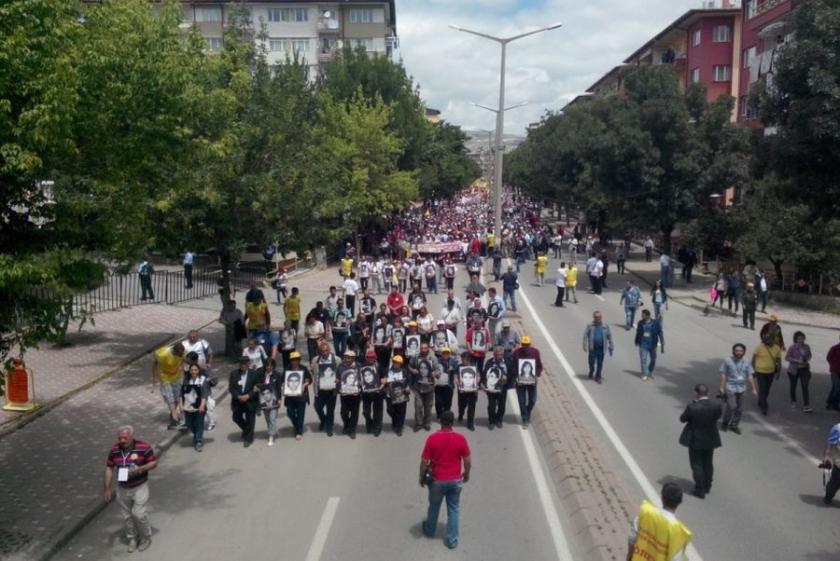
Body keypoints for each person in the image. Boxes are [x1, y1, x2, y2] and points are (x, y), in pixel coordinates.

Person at [420, 410, 472, 550]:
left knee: (434, 506)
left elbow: (424, 461)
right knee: (454, 508)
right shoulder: (460, 439)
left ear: (441, 422)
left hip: (437, 480)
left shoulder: (432, 439)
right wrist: (466, 474)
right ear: (453, 422)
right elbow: (467, 460)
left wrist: (421, 477)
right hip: (455, 480)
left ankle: (430, 530)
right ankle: (452, 540)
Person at [104, 425, 157, 553]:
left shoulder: (143, 447)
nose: (122, 440)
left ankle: (146, 537)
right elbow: (109, 468)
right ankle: (132, 538)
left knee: (138, 513)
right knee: (126, 516)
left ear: (132, 436)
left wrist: (141, 468)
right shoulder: (115, 450)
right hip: (122, 488)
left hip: (139, 486)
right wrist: (107, 488)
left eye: (125, 438)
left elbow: (154, 462)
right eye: (120, 438)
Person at [626, 483, 691, 561]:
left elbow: (632, 537)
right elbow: (675, 559)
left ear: (662, 497)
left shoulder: (646, 512)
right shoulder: (679, 532)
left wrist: (629, 557)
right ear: (679, 502)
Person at [679, 384, 722, 498]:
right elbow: (717, 416)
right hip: (710, 438)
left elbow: (683, 419)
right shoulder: (716, 405)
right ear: (708, 393)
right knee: (708, 463)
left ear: (696, 393)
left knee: (697, 464)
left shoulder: (692, 407)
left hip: (695, 439)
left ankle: (700, 489)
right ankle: (708, 485)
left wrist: (694, 404)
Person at [718, 343, 756, 434]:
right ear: (733, 351)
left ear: (744, 352)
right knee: (731, 406)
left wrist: (754, 389)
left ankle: (734, 425)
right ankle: (725, 423)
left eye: (741, 351)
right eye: (737, 350)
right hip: (730, 387)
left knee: (740, 408)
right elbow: (723, 375)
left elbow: (750, 375)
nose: (739, 352)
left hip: (742, 388)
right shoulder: (727, 360)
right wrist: (722, 387)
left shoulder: (746, 362)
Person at [152, 342, 185, 430]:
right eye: (178, 354)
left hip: (176, 376)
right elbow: (155, 363)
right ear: (174, 351)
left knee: (177, 397)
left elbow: (184, 360)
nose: (180, 355)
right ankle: (174, 418)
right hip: (165, 377)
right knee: (170, 398)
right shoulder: (163, 354)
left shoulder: (182, 352)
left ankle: (173, 413)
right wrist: (155, 376)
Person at [512, 336, 543, 428]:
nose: (526, 347)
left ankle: (527, 411)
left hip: (532, 381)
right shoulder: (516, 353)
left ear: (530, 344)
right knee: (522, 401)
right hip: (520, 381)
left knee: (532, 400)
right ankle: (525, 418)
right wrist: (515, 376)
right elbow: (513, 366)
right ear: (521, 344)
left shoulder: (535, 352)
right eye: (524, 345)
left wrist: (537, 375)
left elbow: (539, 366)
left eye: (527, 345)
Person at [229, 357, 259, 447]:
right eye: (241, 363)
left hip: (250, 400)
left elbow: (257, 388)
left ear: (248, 364)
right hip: (238, 400)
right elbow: (231, 388)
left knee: (250, 420)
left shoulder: (254, 374)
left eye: (245, 363)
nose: (243, 365)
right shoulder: (234, 374)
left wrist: (248, 396)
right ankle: (247, 430)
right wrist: (238, 396)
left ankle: (248, 438)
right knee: (236, 417)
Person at [409, 343, 440, 432]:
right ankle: (418, 423)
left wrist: (435, 373)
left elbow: (438, 371)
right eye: (421, 348)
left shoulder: (433, 358)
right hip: (417, 386)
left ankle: (426, 423)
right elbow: (409, 366)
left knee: (428, 406)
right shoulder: (415, 357)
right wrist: (413, 370)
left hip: (429, 387)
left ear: (428, 348)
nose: (423, 350)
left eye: (425, 348)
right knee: (418, 405)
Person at [311, 341, 339, 437]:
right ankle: (323, 420)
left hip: (332, 390)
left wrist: (338, 382)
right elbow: (312, 371)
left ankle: (329, 427)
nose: (325, 353)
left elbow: (340, 372)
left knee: (330, 410)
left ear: (329, 350)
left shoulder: (336, 360)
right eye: (322, 351)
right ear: (319, 351)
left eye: (326, 350)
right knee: (317, 407)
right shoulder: (315, 360)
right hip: (320, 389)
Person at [283, 351, 312, 441]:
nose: (294, 361)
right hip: (290, 396)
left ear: (299, 360)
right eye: (293, 360)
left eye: (296, 359)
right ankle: (297, 425)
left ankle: (299, 431)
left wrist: (306, 382)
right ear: (290, 361)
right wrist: (283, 385)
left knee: (300, 414)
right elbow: (282, 380)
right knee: (290, 412)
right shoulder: (287, 369)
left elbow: (310, 379)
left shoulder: (303, 368)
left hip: (301, 396)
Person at [180, 364, 209, 452]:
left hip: (199, 406)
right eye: (192, 370)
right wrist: (181, 405)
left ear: (198, 370)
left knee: (199, 424)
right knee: (189, 424)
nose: (193, 372)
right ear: (189, 371)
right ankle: (196, 435)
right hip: (188, 407)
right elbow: (181, 394)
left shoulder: (202, 380)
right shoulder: (186, 380)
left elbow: (204, 394)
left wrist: (202, 405)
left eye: (195, 370)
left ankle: (198, 441)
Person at [752, 333, 782, 416]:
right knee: (763, 388)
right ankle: (764, 406)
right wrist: (753, 370)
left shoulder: (777, 348)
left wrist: (778, 372)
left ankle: (761, 400)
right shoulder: (759, 347)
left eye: (769, 339)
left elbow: (779, 361)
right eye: (765, 340)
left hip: (771, 372)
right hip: (760, 371)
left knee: (767, 389)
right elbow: (753, 359)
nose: (767, 341)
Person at [785, 331, 813, 412]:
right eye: (799, 339)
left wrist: (806, 359)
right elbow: (787, 358)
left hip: (804, 369)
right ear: (796, 339)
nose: (801, 340)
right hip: (793, 369)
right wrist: (796, 360)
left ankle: (806, 405)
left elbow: (809, 355)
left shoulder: (807, 347)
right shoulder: (792, 347)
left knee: (805, 386)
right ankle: (793, 401)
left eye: (802, 338)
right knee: (793, 386)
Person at [257, 359, 283, 446]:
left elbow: (279, 388)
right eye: (267, 365)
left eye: (271, 365)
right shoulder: (260, 375)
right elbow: (257, 385)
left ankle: (271, 436)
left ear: (273, 366)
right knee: (268, 419)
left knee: (272, 418)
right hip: (263, 400)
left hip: (274, 400)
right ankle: (273, 430)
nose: (269, 367)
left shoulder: (277, 375)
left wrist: (279, 399)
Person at [583, 311, 614, 384]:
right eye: (596, 317)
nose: (598, 319)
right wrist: (585, 345)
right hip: (593, 348)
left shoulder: (605, 326)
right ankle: (591, 370)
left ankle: (598, 376)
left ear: (601, 317)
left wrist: (611, 345)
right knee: (591, 362)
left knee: (600, 363)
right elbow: (585, 335)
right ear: (594, 317)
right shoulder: (590, 325)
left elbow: (609, 336)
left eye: (599, 317)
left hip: (601, 348)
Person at [361, 349, 386, 436]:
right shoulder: (362, 367)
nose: (371, 359)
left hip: (377, 393)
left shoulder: (379, 366)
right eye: (369, 357)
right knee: (365, 411)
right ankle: (369, 422)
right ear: (366, 357)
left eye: (372, 357)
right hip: (366, 394)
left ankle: (377, 427)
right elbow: (359, 379)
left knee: (378, 412)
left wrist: (381, 386)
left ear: (375, 357)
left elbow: (384, 379)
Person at [483, 346, 508, 429]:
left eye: (501, 355)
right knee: (491, 406)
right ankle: (491, 421)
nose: (499, 357)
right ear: (494, 354)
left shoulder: (507, 362)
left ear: (503, 355)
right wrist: (484, 385)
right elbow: (484, 374)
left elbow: (512, 373)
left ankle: (499, 420)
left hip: (502, 388)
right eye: (497, 355)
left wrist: (507, 378)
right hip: (491, 388)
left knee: (502, 406)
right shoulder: (489, 362)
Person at [635, 310, 664, 381]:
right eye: (642, 315)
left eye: (643, 315)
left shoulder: (655, 323)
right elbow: (638, 332)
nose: (642, 316)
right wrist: (636, 341)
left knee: (653, 359)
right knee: (643, 360)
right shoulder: (640, 323)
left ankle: (649, 371)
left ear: (648, 316)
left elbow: (660, 332)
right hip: (643, 344)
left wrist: (662, 341)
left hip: (652, 345)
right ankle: (644, 374)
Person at [337, 350, 361, 438]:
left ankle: (352, 430)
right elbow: (337, 378)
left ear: (354, 358)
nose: (348, 359)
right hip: (344, 394)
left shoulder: (358, 366)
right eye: (346, 357)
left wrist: (361, 383)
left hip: (355, 394)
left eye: (350, 358)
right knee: (344, 412)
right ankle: (346, 424)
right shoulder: (340, 366)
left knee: (354, 413)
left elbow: (363, 377)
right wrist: (337, 383)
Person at [386, 355, 410, 436]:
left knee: (401, 412)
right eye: (394, 362)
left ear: (401, 364)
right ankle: (395, 421)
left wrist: (408, 387)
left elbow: (408, 381)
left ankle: (399, 428)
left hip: (401, 395)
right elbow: (382, 379)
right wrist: (383, 381)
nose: (396, 364)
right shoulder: (388, 371)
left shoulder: (404, 371)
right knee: (390, 410)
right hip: (390, 395)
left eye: (398, 363)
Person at [456, 353, 478, 430]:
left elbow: (478, 376)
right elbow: (455, 376)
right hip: (462, 390)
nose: (462, 361)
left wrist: (477, 383)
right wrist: (457, 381)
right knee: (461, 405)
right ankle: (461, 414)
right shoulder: (459, 366)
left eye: (463, 360)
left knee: (471, 408)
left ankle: (470, 423)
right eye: (461, 360)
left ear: (468, 360)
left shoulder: (474, 366)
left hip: (472, 390)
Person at [435, 347, 457, 421]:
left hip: (449, 385)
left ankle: (446, 416)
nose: (445, 354)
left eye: (447, 353)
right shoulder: (437, 361)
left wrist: (452, 368)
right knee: (438, 401)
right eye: (444, 353)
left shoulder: (453, 361)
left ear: (449, 353)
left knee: (448, 401)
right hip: (438, 385)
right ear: (441, 353)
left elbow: (457, 370)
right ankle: (439, 415)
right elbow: (433, 370)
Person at [821, 422, 840, 505]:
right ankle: (828, 497)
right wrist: (827, 456)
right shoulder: (838, 428)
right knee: (834, 484)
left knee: (834, 483)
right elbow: (830, 443)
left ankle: (828, 497)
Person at [826, 336, 840, 412]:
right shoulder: (835, 348)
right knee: (837, 387)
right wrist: (833, 365)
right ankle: (833, 402)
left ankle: (831, 403)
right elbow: (828, 357)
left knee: (835, 387)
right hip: (835, 371)